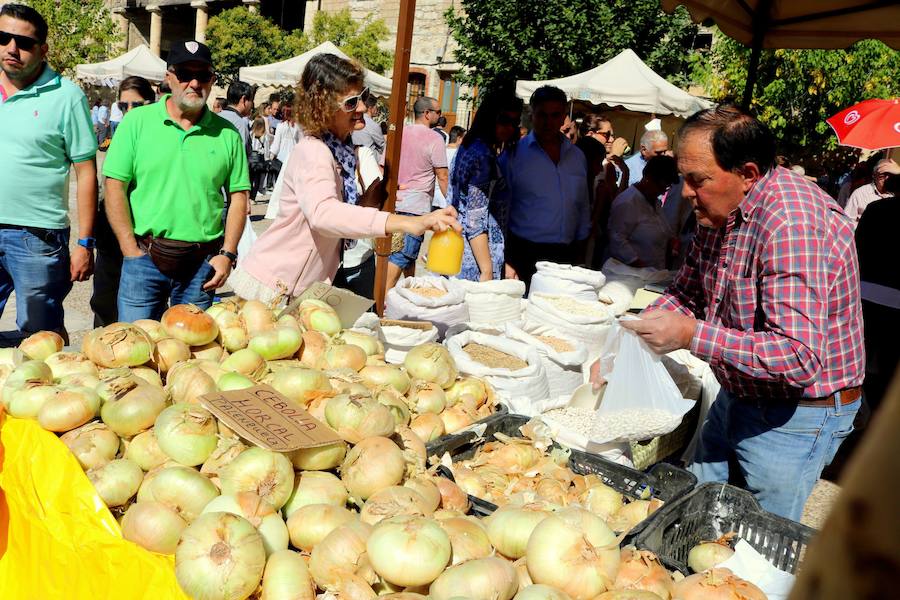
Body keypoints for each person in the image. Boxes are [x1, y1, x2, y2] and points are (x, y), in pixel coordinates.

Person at [599, 105, 863, 521]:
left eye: (697, 180)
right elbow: (687, 291)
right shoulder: (716, 212)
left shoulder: (791, 223)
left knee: (759, 544)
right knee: (694, 511)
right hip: (739, 392)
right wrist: (631, 334)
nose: (685, 192)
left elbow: (797, 356)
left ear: (749, 174)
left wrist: (689, 335)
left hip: (796, 414)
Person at [229, 54, 460, 302]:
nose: (362, 107)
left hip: (301, 285)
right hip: (278, 286)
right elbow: (324, 214)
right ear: (323, 109)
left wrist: (372, 197)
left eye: (363, 96)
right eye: (351, 103)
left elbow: (341, 213)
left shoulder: (342, 150)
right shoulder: (315, 151)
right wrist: (408, 222)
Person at [103, 40, 250, 320]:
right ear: (169, 78)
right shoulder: (138, 123)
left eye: (203, 76)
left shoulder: (228, 134)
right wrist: (128, 248)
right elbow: (114, 186)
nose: (194, 83)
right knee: (136, 348)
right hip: (144, 258)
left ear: (213, 80)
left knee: (193, 355)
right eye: (184, 74)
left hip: (201, 264)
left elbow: (239, 198)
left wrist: (228, 254)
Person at [0, 3, 97, 339]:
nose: (12, 48)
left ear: (42, 49)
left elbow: (86, 171)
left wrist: (85, 243)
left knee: (40, 340)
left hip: (36, 237)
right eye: (4, 37)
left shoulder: (67, 96)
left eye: (24, 43)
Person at [500, 86, 590, 286]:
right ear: (532, 115)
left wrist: (581, 254)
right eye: (542, 115)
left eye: (555, 115)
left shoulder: (577, 157)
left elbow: (582, 206)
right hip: (525, 254)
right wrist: (507, 259)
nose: (548, 122)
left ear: (564, 118)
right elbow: (501, 210)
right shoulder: (514, 156)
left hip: (566, 255)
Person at [90, 75, 155, 326]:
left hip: (144, 233)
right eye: (123, 106)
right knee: (105, 300)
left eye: (137, 105)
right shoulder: (119, 136)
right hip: (110, 232)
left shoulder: (157, 137)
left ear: (151, 102)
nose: (129, 111)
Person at [449, 93, 523, 281]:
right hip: (476, 260)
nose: (510, 127)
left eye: (515, 122)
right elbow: (475, 221)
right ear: (490, 118)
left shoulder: (468, 147)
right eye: (504, 120)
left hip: (457, 250)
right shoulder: (483, 157)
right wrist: (487, 270)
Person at [385, 96, 448, 289]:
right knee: (401, 256)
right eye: (438, 112)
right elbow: (442, 175)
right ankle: (380, 303)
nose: (440, 115)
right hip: (415, 207)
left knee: (405, 256)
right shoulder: (435, 138)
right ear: (427, 114)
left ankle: (406, 294)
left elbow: (383, 167)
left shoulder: (398, 133)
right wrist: (452, 202)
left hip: (394, 202)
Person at [855, 173, 900, 410]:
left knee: (865, 354)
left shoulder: (875, 209)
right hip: (893, 299)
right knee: (887, 362)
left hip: (866, 291)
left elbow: (858, 245)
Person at [607, 155, 680, 269]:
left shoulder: (655, 202)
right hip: (630, 275)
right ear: (648, 178)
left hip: (654, 272)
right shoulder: (627, 202)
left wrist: (671, 240)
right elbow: (617, 240)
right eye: (660, 186)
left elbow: (663, 229)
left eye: (666, 187)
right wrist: (638, 264)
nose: (662, 191)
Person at [581, 114, 630, 197]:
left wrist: (625, 171)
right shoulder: (578, 160)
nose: (611, 140)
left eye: (612, 135)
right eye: (607, 135)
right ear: (591, 134)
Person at [844, 158, 900, 226]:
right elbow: (847, 220)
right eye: (883, 175)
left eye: (891, 175)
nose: (887, 178)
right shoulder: (860, 193)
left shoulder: (896, 193)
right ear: (874, 176)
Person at [433, 125, 467, 209]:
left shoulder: (439, 150)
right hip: (447, 200)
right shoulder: (460, 155)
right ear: (459, 139)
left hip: (434, 198)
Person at [218, 80, 254, 153]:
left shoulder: (216, 117)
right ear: (243, 100)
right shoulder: (240, 124)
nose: (252, 104)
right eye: (251, 100)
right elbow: (240, 155)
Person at [351, 93, 385, 159]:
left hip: (356, 156)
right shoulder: (372, 124)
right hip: (371, 159)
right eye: (376, 106)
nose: (377, 109)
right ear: (370, 108)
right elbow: (382, 146)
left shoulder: (356, 121)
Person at [248, 117, 270, 203]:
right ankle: (252, 198)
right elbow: (267, 150)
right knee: (257, 180)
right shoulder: (264, 136)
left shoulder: (250, 134)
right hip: (259, 159)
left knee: (249, 179)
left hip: (250, 159)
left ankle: (248, 197)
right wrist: (267, 160)